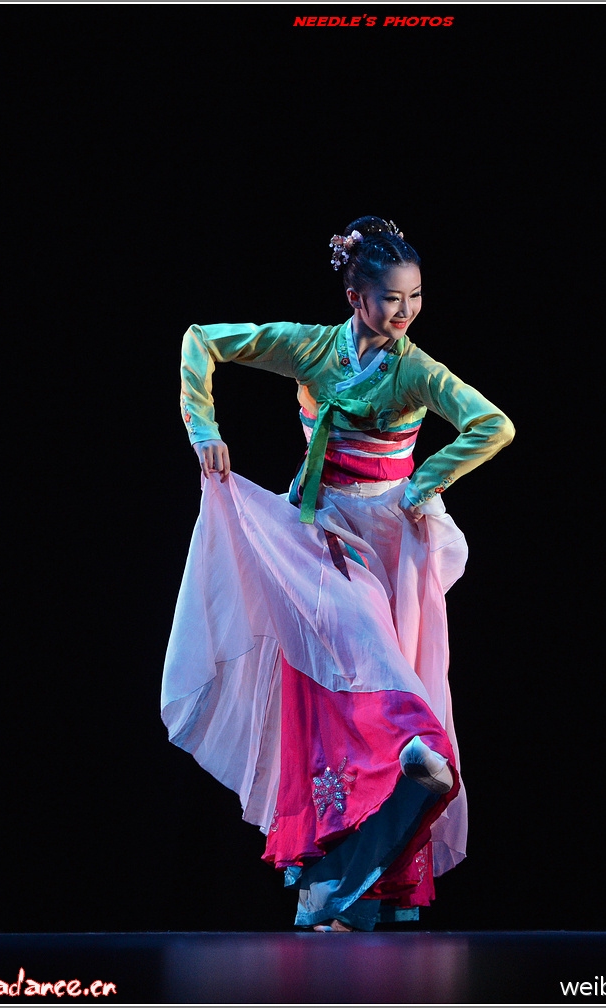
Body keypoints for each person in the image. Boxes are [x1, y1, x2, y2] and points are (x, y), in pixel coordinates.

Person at [162, 216, 514, 932]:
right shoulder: (312, 348)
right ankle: (349, 849)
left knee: (380, 666)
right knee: (333, 680)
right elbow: (202, 340)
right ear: (356, 296)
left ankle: (383, 833)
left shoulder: (415, 370)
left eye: (415, 296)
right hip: (319, 530)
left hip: (387, 536)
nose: (406, 311)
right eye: (391, 298)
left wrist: (425, 483)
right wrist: (205, 430)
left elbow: (493, 424)